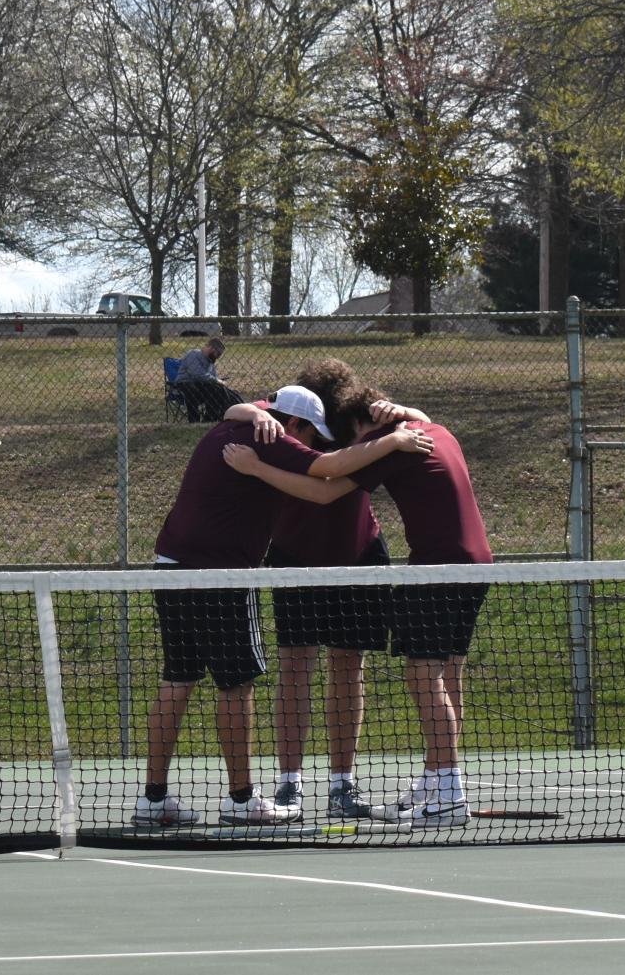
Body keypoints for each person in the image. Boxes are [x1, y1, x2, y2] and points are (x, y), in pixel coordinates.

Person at [134, 385, 434, 827]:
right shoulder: (273, 439)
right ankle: (241, 801)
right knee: (236, 685)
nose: (308, 444)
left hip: (172, 566)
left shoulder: (241, 422)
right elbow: (327, 473)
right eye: (310, 434)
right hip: (221, 576)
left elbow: (237, 407)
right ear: (294, 424)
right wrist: (393, 441)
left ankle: (153, 800)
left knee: (178, 678)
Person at [223, 385, 491, 828]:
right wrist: (401, 413)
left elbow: (325, 490)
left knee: (423, 673)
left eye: (355, 433)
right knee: (446, 671)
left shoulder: (391, 446)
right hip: (474, 563)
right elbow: (415, 414)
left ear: (369, 424)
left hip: (438, 567)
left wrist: (255, 467)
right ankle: (436, 778)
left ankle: (446, 790)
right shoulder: (433, 428)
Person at [174, 336, 243, 422]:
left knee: (220, 389)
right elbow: (198, 375)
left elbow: (212, 378)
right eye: (217, 354)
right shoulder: (193, 354)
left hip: (202, 385)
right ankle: (194, 422)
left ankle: (211, 419)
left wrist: (218, 382)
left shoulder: (210, 361)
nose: (218, 357)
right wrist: (216, 380)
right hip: (186, 383)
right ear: (211, 348)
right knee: (192, 389)